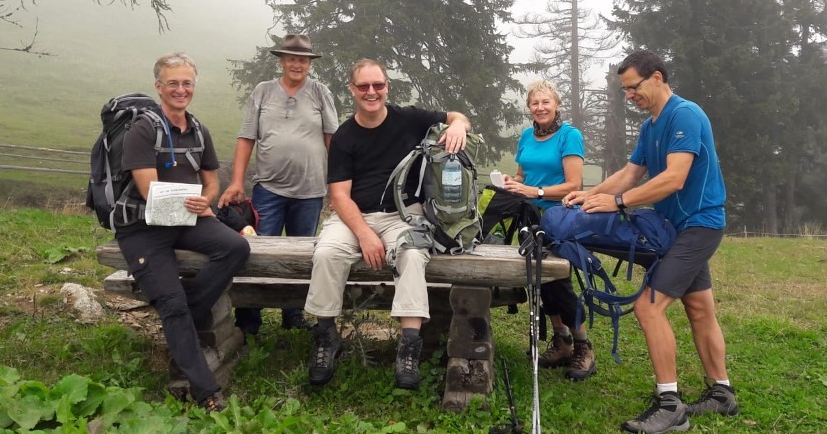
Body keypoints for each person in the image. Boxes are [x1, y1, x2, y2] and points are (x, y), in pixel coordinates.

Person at [565, 49, 735, 434]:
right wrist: (590, 195)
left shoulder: (685, 115)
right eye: (625, 91)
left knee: (649, 307)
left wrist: (618, 202)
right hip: (675, 228)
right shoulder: (650, 126)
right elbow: (629, 173)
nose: (630, 96)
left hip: (699, 225)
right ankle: (722, 393)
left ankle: (670, 405)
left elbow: (674, 178)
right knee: (699, 308)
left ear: (657, 77)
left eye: (634, 87)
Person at [304, 59, 471, 390]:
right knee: (326, 253)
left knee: (412, 255)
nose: (371, 92)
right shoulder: (344, 136)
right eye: (363, 86)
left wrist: (458, 126)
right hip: (354, 216)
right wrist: (365, 234)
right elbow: (339, 195)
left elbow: (457, 116)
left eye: (378, 85)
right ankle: (326, 336)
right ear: (352, 90)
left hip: (403, 215)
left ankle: (408, 348)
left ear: (387, 87)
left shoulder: (408, 118)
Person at [115, 53, 249, 413]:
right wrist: (196, 204)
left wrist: (207, 201)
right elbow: (149, 191)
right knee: (171, 304)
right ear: (158, 87)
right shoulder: (143, 129)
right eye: (172, 83)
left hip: (185, 217)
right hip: (143, 226)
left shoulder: (198, 129)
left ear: (194, 86)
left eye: (187, 83)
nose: (180, 89)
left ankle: (184, 316)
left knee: (235, 247)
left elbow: (212, 181)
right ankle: (207, 393)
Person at [218, 34, 339, 335]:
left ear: (310, 63)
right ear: (282, 61)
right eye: (292, 58)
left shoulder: (320, 92)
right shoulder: (263, 91)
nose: (297, 64)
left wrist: (338, 187)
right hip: (268, 189)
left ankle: (293, 315)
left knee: (302, 257)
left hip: (310, 191)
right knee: (255, 252)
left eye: (303, 60)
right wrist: (236, 181)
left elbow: (332, 140)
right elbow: (246, 137)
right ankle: (249, 320)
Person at [495, 79, 596, 381]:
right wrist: (512, 184)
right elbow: (522, 175)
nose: (540, 108)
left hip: (560, 217)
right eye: (534, 103)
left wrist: (535, 192)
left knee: (558, 279)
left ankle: (583, 346)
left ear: (557, 105)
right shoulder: (527, 135)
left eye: (545, 102)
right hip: (530, 216)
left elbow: (573, 185)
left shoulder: (570, 136)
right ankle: (562, 341)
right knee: (539, 279)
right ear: (529, 107)